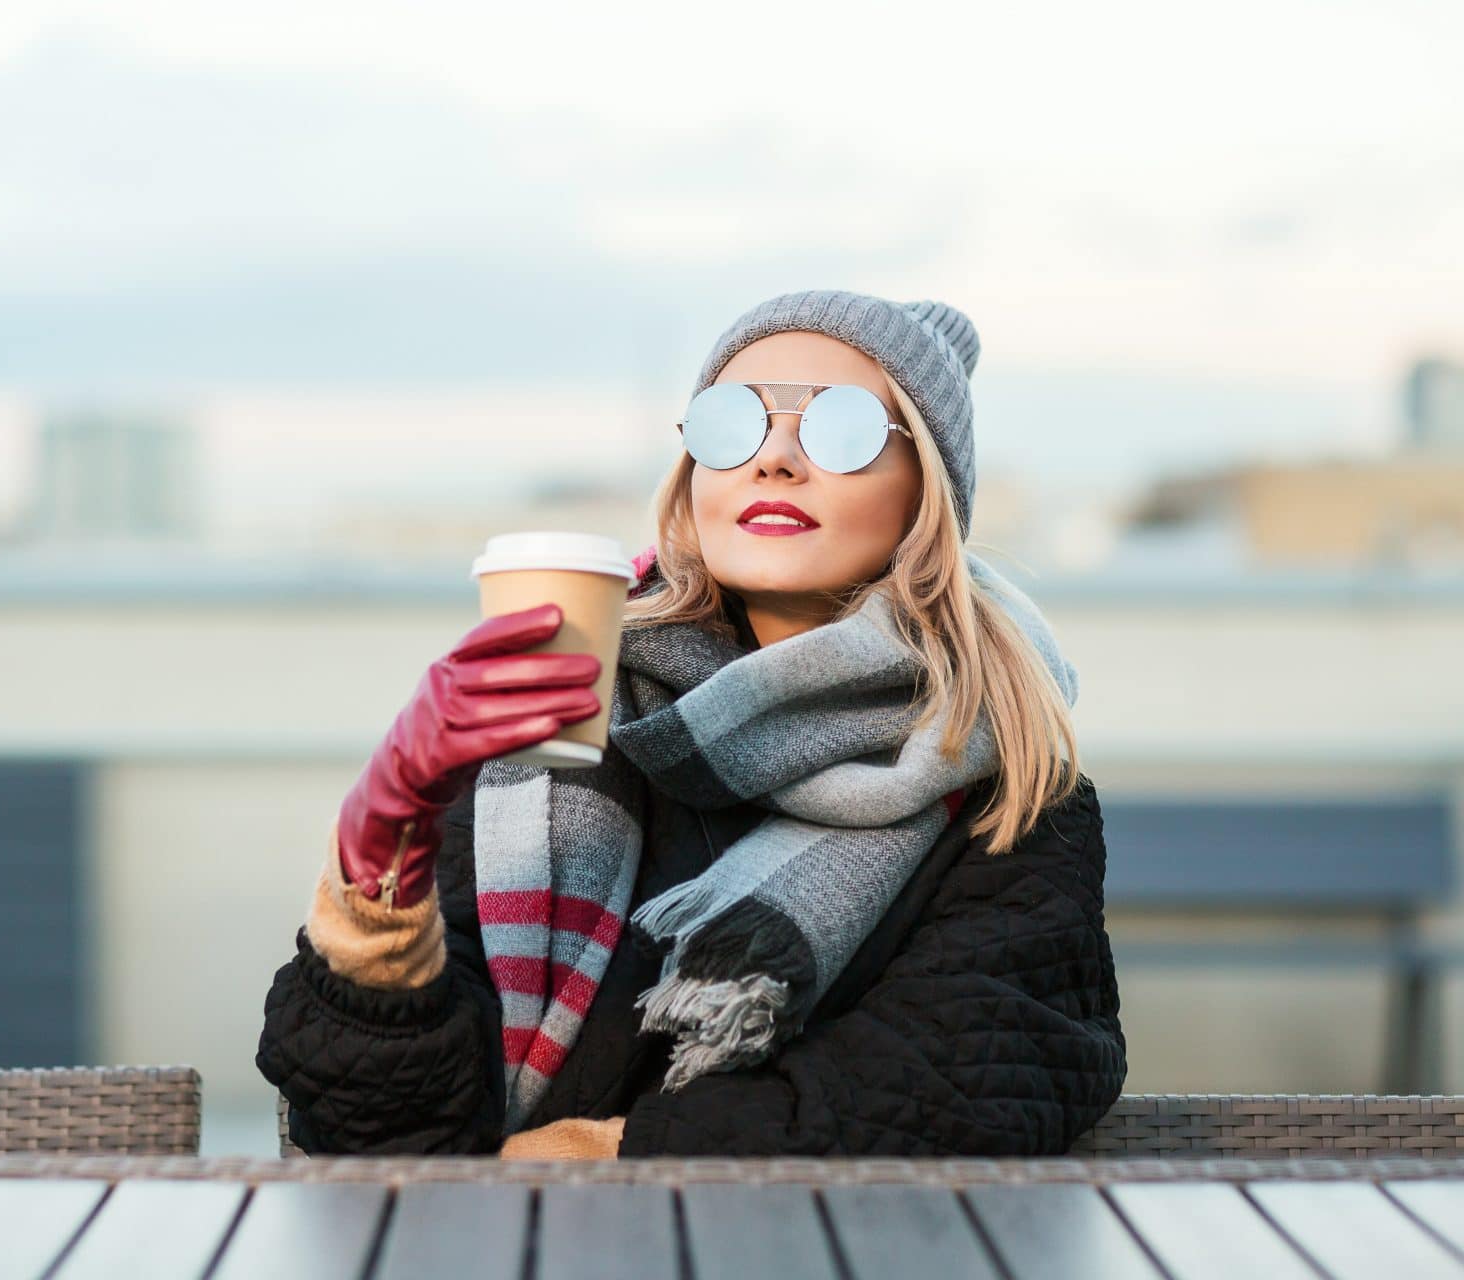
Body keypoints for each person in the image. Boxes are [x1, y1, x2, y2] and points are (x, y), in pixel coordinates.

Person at [256, 288, 1127, 1158]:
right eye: (730, 422)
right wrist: (382, 854)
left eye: (846, 431)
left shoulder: (1003, 779)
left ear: (925, 495)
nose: (776, 458)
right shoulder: (570, 725)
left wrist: (608, 1156)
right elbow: (386, 1134)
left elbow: (964, 1079)